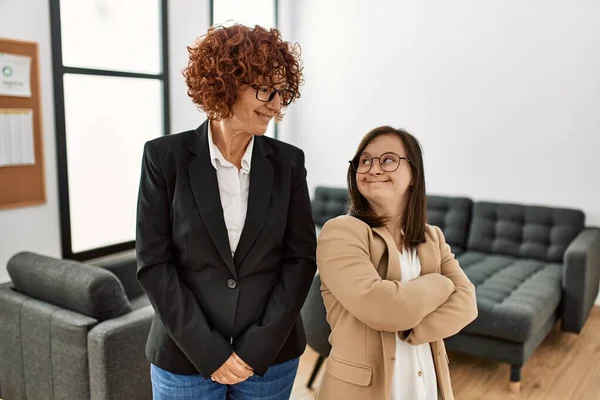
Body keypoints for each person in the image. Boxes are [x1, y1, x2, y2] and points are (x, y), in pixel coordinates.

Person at [135, 23, 317, 400]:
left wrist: (257, 347)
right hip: (185, 360)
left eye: (282, 92)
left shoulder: (288, 163)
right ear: (225, 82)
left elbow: (300, 259)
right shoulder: (164, 158)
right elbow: (155, 263)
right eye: (266, 90)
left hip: (269, 360)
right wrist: (209, 351)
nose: (277, 105)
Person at [315, 126, 478, 400]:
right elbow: (383, 308)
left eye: (388, 159)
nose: (374, 168)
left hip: (426, 385)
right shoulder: (340, 232)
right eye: (364, 161)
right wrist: (440, 284)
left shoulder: (431, 237)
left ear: (413, 173)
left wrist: (413, 327)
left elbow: (467, 303)